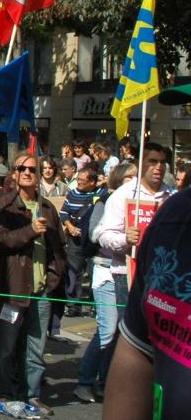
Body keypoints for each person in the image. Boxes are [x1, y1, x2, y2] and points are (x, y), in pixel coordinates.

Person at [101, 165, 191, 420]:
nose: (158, 168)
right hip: (121, 274)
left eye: (161, 162)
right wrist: (124, 239)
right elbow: (137, 349)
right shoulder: (175, 216)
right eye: (151, 161)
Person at [0, 151, 65, 415]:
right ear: (14, 173)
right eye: (22, 168)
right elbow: (1, 240)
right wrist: (30, 230)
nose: (28, 173)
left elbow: (58, 247)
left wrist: (54, 277)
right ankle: (5, 392)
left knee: (36, 348)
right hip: (13, 288)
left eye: (33, 169)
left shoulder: (48, 208)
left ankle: (32, 394)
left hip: (41, 290)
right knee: (6, 346)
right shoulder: (3, 206)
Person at [73, 161, 134, 403]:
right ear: (119, 180)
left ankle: (105, 382)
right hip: (106, 273)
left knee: (123, 333)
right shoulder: (107, 202)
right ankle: (85, 382)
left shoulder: (141, 204)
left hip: (130, 274)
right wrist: (123, 236)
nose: (134, 183)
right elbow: (95, 233)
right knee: (107, 330)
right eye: (129, 178)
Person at [58, 166, 105, 319]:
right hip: (76, 239)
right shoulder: (72, 194)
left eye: (82, 181)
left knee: (94, 273)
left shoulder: (102, 195)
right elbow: (64, 213)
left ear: (92, 182)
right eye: (78, 180)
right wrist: (69, 226)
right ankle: (73, 305)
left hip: (94, 242)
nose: (78, 183)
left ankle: (95, 306)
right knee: (73, 272)